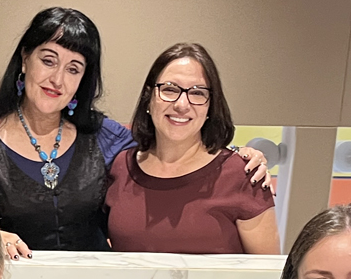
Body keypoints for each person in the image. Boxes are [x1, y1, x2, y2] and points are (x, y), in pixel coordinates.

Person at [0, 10, 269, 257]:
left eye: (74, 68)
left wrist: (239, 156)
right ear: (25, 59)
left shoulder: (106, 137)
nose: (57, 79)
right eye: (48, 60)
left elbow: (171, 150)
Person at [105, 43, 278, 254]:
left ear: (210, 106)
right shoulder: (121, 166)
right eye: (169, 89)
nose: (182, 104)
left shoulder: (244, 175)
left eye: (197, 93)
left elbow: (269, 276)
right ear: (148, 99)